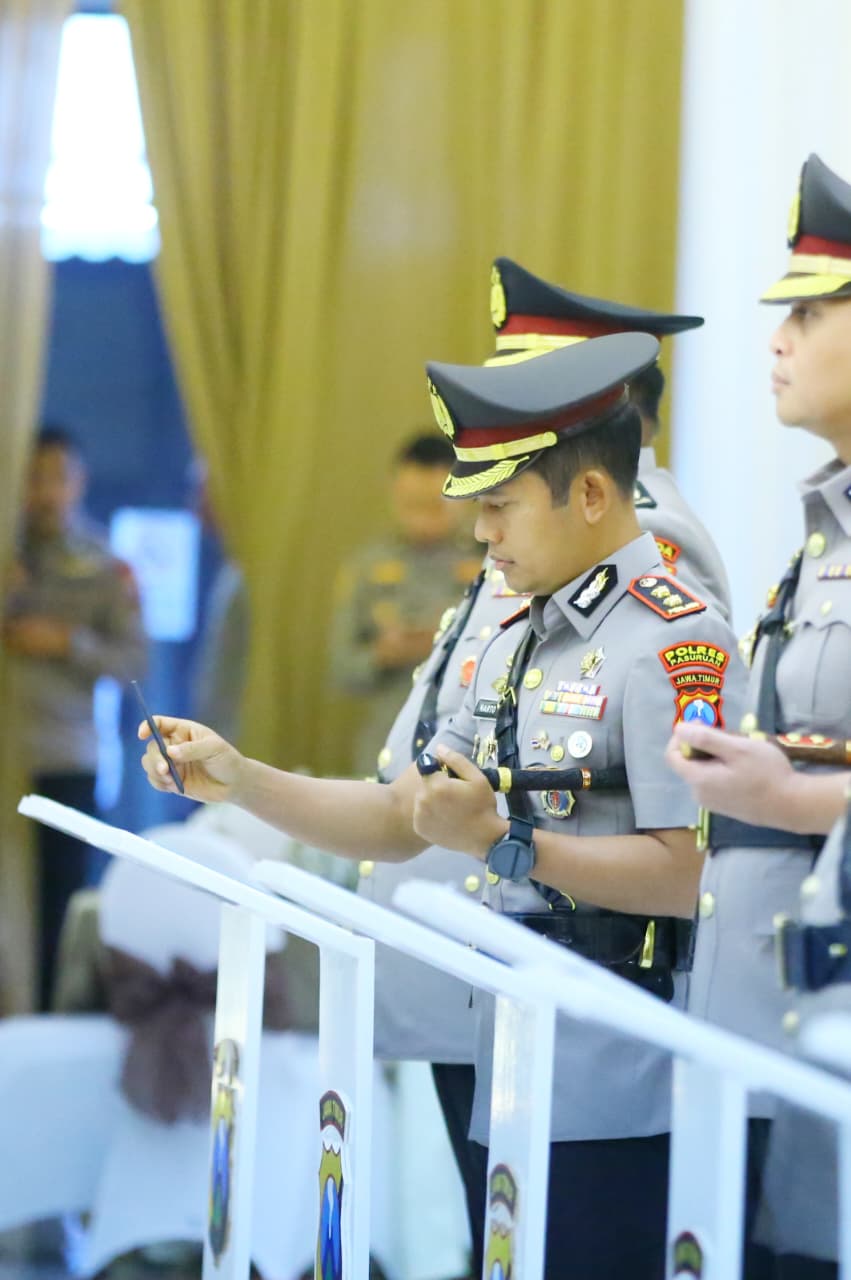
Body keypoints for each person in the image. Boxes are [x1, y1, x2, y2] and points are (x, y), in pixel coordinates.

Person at [140, 333, 745, 1279]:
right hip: (507, 1052)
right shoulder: (514, 640)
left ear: (590, 494)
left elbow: (692, 873)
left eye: (501, 507)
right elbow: (401, 817)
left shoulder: (675, 642)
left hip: (622, 1074)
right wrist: (243, 779)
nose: (480, 534)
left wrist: (507, 846)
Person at [358, 266, 722, 1275]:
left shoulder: (646, 564)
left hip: (592, 1017)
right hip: (500, 987)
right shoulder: (534, 573)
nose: (484, 525)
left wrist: (501, 841)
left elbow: (676, 844)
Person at [665, 152, 851, 1280]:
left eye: (806, 314)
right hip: (783, 1005)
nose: (775, 340)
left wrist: (784, 795)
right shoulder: (821, 533)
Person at [488, 256, 733, 618]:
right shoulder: (534, 509)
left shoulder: (636, 527)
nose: (505, 418)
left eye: (534, 400)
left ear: (609, 403)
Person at [3, 425, 147, 1009]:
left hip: (64, 756)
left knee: (59, 903)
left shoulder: (105, 567)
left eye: (56, 478)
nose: (44, 493)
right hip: (8, 752)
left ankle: (50, 1021)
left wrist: (66, 643)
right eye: (33, 478)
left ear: (79, 482)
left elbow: (135, 660)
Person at [328, 432, 480, 777]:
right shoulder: (368, 568)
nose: (422, 518)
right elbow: (341, 667)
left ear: (461, 497)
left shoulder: (493, 563)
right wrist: (383, 654)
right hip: (387, 744)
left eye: (434, 505)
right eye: (411, 504)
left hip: (466, 748)